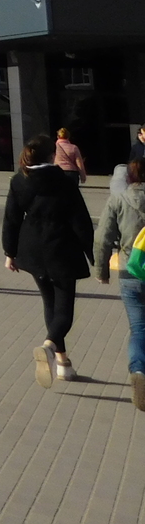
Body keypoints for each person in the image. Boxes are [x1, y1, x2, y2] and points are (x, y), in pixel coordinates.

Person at [4, 134, 94, 386]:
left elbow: (11, 219)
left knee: (49, 305)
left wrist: (9, 253)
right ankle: (49, 346)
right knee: (64, 311)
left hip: (31, 252)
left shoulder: (19, 181)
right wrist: (92, 253)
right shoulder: (65, 182)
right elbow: (81, 222)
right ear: (51, 156)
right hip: (61, 250)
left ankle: (63, 363)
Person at [95, 158, 145, 411]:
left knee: (138, 327)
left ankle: (138, 369)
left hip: (130, 271)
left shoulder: (119, 199)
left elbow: (103, 236)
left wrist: (101, 270)